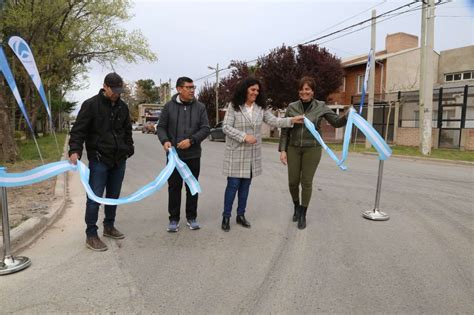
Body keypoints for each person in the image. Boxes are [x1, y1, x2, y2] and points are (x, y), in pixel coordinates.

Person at [221, 77, 304, 232]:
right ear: (245, 89)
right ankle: (226, 216)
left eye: (258, 90)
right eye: (253, 90)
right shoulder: (234, 106)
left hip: (252, 156)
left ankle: (240, 215)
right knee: (232, 186)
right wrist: (244, 136)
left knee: (245, 187)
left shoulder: (261, 108)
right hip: (236, 153)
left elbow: (275, 121)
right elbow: (225, 127)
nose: (255, 93)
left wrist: (292, 119)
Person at [69, 72, 134, 251]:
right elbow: (79, 130)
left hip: (119, 159)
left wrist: (129, 148)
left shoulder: (123, 107)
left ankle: (109, 226)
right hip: (99, 159)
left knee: (113, 197)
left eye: (120, 91)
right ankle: (91, 234)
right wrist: (74, 150)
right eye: (114, 90)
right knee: (94, 198)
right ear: (105, 86)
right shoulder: (91, 105)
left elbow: (127, 130)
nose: (117, 94)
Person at [279, 76, 348, 230]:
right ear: (299, 91)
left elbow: (336, 122)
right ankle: (296, 206)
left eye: (307, 89)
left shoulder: (321, 106)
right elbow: (285, 130)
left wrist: (348, 115)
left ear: (312, 91)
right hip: (294, 148)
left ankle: (303, 213)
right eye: (302, 89)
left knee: (306, 182)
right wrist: (283, 150)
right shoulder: (292, 107)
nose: (305, 92)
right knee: (292, 182)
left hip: (313, 148)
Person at [156, 77, 210, 232]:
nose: (192, 90)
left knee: (192, 186)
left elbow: (205, 128)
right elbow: (161, 127)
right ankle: (173, 219)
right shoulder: (168, 107)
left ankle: (191, 217)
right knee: (174, 187)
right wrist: (165, 140)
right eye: (188, 87)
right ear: (179, 89)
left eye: (193, 87)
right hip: (174, 157)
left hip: (193, 155)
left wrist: (191, 141)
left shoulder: (200, 107)